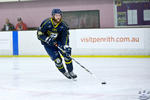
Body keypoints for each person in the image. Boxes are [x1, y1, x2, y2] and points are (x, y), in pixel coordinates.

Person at [37, 9, 77, 79]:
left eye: (59, 15)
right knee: (58, 60)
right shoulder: (46, 23)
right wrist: (46, 39)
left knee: (67, 55)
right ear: (53, 16)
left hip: (58, 42)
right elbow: (39, 34)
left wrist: (66, 45)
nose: (58, 17)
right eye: (56, 15)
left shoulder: (63, 25)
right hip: (48, 45)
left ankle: (71, 71)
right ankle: (64, 72)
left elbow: (65, 36)